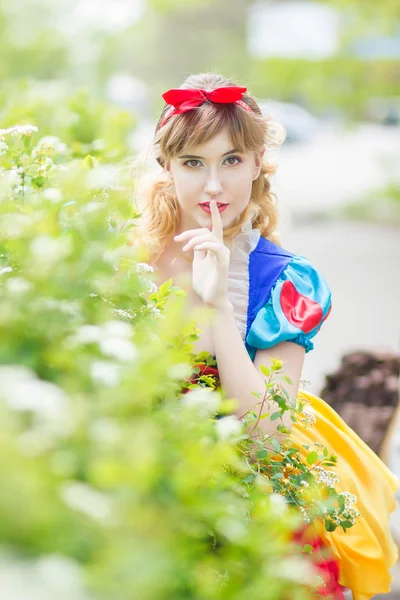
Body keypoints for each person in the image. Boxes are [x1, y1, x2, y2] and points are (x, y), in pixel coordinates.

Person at [133, 73, 398, 599]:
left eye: (232, 160)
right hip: (140, 508)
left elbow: (269, 437)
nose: (214, 185)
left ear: (258, 164)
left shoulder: (284, 280)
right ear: (166, 168)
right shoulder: (123, 266)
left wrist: (217, 307)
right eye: (193, 163)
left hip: (251, 520)